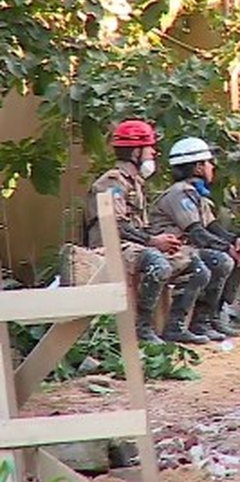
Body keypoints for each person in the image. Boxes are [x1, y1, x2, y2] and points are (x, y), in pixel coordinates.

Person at [84, 119, 211, 344]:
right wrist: (153, 241)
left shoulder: (136, 183)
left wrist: (169, 239)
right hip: (111, 246)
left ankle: (176, 327)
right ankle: (142, 328)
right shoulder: (112, 182)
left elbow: (139, 226)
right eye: (149, 148)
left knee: (197, 266)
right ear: (135, 152)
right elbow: (116, 225)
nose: (153, 152)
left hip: (136, 246)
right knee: (157, 263)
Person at [149, 137, 240, 343]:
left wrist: (236, 240)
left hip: (187, 249)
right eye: (208, 162)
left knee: (234, 255)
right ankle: (185, 324)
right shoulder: (179, 194)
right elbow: (196, 232)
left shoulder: (196, 195)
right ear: (197, 168)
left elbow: (212, 227)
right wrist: (227, 248)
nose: (212, 166)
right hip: (172, 250)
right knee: (220, 260)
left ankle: (212, 317)